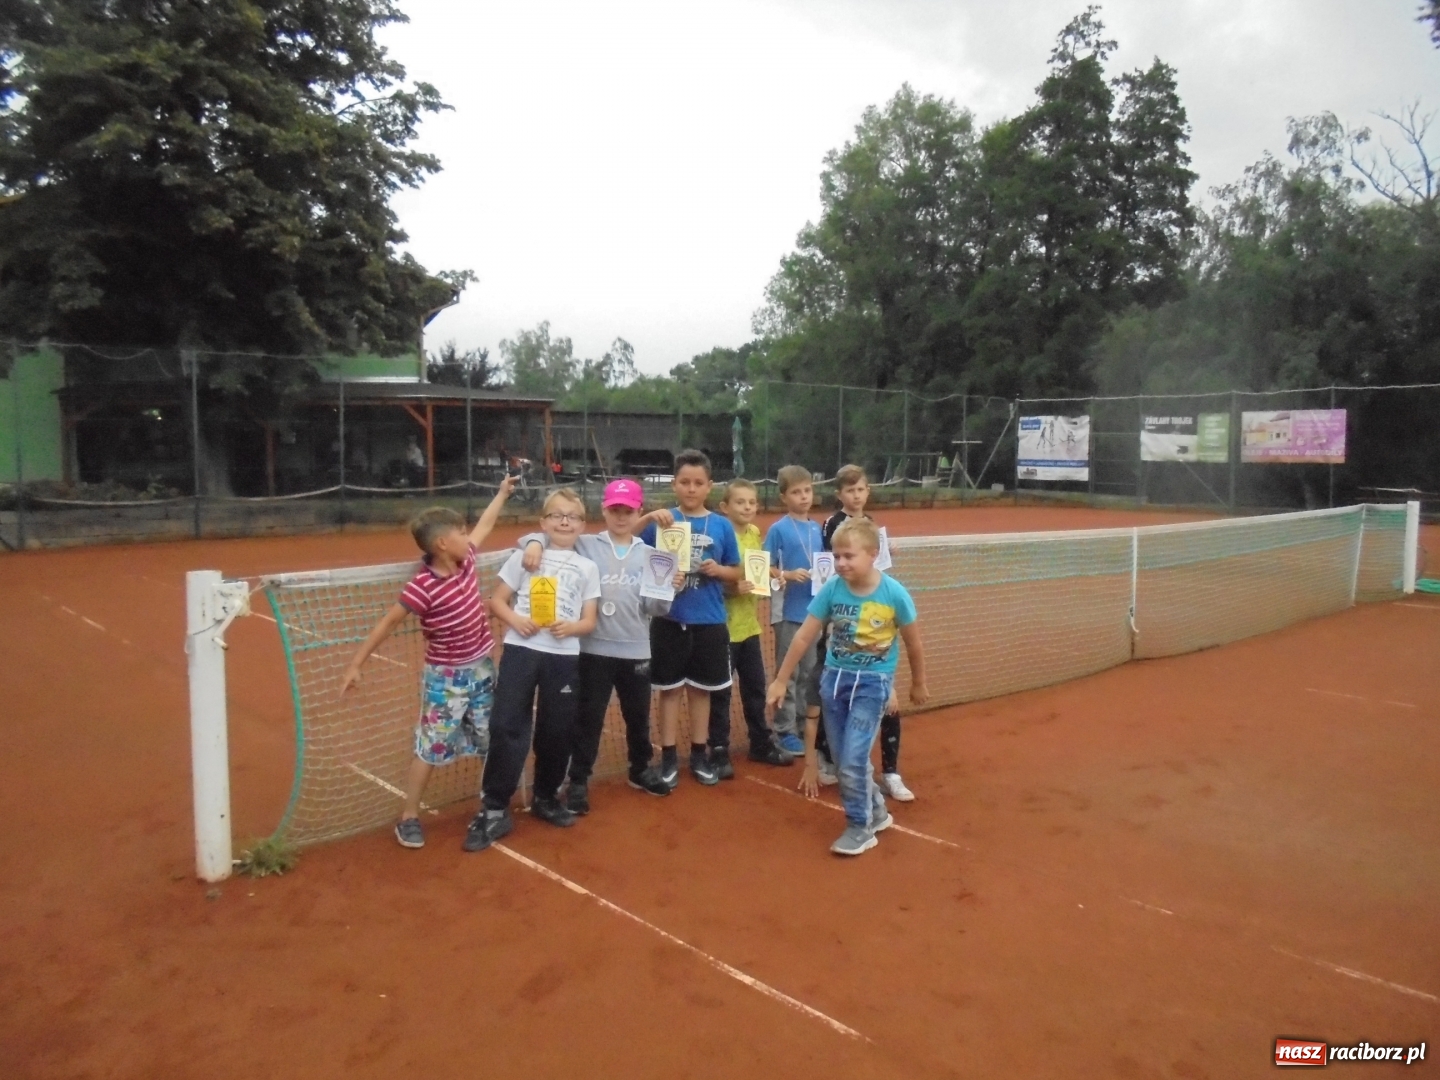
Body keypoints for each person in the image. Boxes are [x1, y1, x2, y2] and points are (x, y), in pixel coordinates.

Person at [339, 476, 516, 850]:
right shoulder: (421, 587)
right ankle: (409, 817)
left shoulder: (466, 560)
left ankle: (492, 807)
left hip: (483, 668)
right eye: (460, 532)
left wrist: (500, 493)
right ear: (442, 543)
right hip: (446, 679)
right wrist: (356, 663)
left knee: (491, 739)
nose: (469, 537)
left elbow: (485, 524)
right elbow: (388, 623)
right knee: (432, 747)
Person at [766, 517, 928, 856]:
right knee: (843, 761)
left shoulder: (894, 594)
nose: (840, 563)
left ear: (872, 554)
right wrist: (781, 679)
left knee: (853, 760)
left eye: (848, 556)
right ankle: (878, 811)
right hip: (833, 683)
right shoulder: (832, 590)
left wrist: (918, 684)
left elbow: (913, 644)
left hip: (872, 686)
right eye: (836, 556)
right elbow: (804, 635)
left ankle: (859, 826)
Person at [516, 478, 675, 812]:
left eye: (628, 510)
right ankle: (579, 780)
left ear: (638, 512)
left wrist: (668, 589)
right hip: (592, 650)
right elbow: (544, 537)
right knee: (588, 718)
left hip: (636, 650)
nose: (621, 516)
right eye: (614, 509)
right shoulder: (585, 544)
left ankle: (640, 768)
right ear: (604, 510)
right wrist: (533, 542)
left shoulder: (652, 555)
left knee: (638, 716)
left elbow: (654, 609)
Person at [469, 488, 602, 851]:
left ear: (582, 525)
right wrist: (516, 619)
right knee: (506, 724)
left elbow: (588, 620)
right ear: (543, 522)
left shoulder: (588, 567)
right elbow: (496, 599)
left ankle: (545, 797)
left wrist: (570, 627)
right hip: (521, 650)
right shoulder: (524, 557)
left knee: (557, 729)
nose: (564, 521)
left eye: (572, 517)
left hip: (564, 657)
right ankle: (495, 808)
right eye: (556, 515)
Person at [638, 449, 741, 788]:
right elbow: (631, 548)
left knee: (701, 691)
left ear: (709, 486)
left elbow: (737, 571)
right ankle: (668, 756)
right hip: (669, 620)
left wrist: (719, 569)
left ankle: (699, 754)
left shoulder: (722, 525)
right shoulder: (663, 521)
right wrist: (650, 517)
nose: (691, 488)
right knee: (669, 691)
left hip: (710, 621)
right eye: (685, 482)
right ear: (674, 484)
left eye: (698, 483)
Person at [817, 464, 914, 801]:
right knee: (834, 698)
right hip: (842, 628)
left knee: (887, 703)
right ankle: (830, 760)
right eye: (850, 490)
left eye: (861, 490)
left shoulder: (872, 526)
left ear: (867, 491)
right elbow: (831, 572)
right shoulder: (831, 524)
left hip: (876, 635)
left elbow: (877, 574)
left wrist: (887, 555)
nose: (856, 496)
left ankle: (890, 771)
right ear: (840, 493)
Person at [707, 479, 794, 777]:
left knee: (755, 688)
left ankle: (760, 742)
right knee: (721, 692)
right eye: (740, 502)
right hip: (723, 629)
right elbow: (709, 579)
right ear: (724, 507)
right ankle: (718, 749)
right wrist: (732, 589)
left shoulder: (756, 533)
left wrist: (776, 577)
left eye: (751, 502)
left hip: (750, 627)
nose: (747, 507)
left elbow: (758, 569)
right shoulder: (719, 534)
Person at [763, 465, 825, 757]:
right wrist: (786, 575)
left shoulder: (817, 528)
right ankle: (784, 729)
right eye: (796, 492)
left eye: (807, 490)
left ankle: (803, 724)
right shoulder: (778, 529)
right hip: (788, 611)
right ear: (783, 497)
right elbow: (761, 566)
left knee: (809, 673)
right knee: (788, 673)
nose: (803, 497)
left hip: (814, 613)